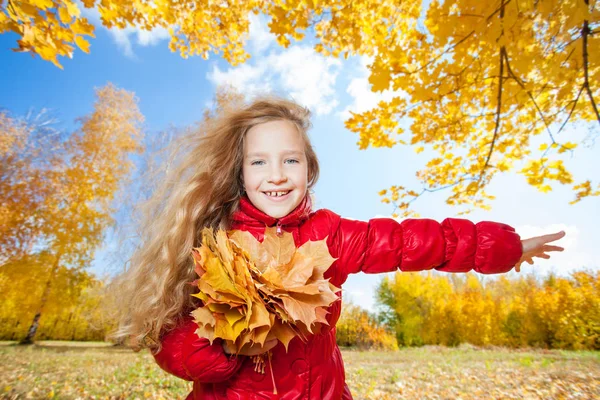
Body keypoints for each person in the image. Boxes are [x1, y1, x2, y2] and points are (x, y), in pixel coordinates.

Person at [108, 96, 565, 400]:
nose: (277, 174)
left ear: (309, 168)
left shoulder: (329, 236)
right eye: (260, 162)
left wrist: (504, 247)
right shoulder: (212, 244)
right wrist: (221, 355)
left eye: (291, 159)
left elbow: (413, 243)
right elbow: (171, 343)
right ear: (240, 173)